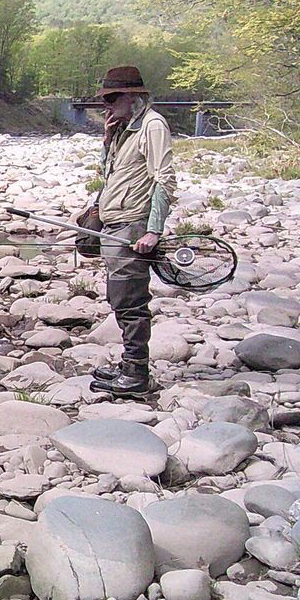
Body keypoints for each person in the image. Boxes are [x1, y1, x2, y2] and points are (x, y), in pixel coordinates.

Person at [88, 66, 176, 398]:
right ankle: (129, 365)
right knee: (119, 297)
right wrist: (108, 140)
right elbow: (108, 174)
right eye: (104, 100)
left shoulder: (153, 125)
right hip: (114, 224)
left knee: (130, 301)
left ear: (132, 96)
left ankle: (137, 373)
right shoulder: (123, 129)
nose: (107, 107)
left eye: (111, 99)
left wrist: (153, 231)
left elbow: (164, 179)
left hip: (133, 225)